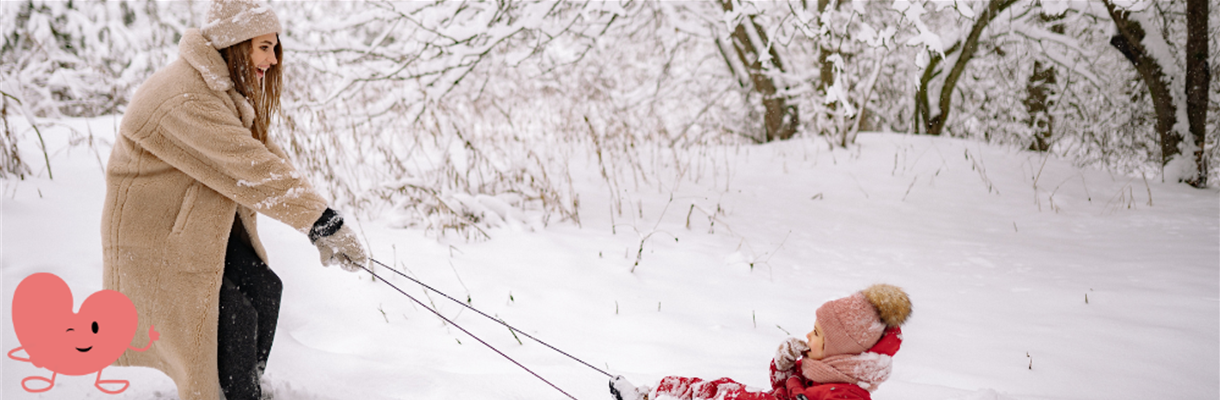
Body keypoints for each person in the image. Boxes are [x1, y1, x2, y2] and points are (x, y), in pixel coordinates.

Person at [101, 1, 367, 399]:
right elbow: (252, 168)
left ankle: (242, 388)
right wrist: (320, 221)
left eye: (275, 48)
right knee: (235, 316)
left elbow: (266, 157)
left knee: (264, 289)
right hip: (156, 242)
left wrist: (323, 223)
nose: (273, 60)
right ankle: (239, 393)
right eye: (264, 47)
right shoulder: (185, 97)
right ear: (234, 43)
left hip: (192, 229)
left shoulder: (215, 89)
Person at [610, 284, 912, 400]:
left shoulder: (846, 396)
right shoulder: (823, 371)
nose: (808, 336)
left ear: (841, 353)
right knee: (714, 388)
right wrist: (784, 364)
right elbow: (784, 390)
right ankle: (649, 396)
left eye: (818, 334)